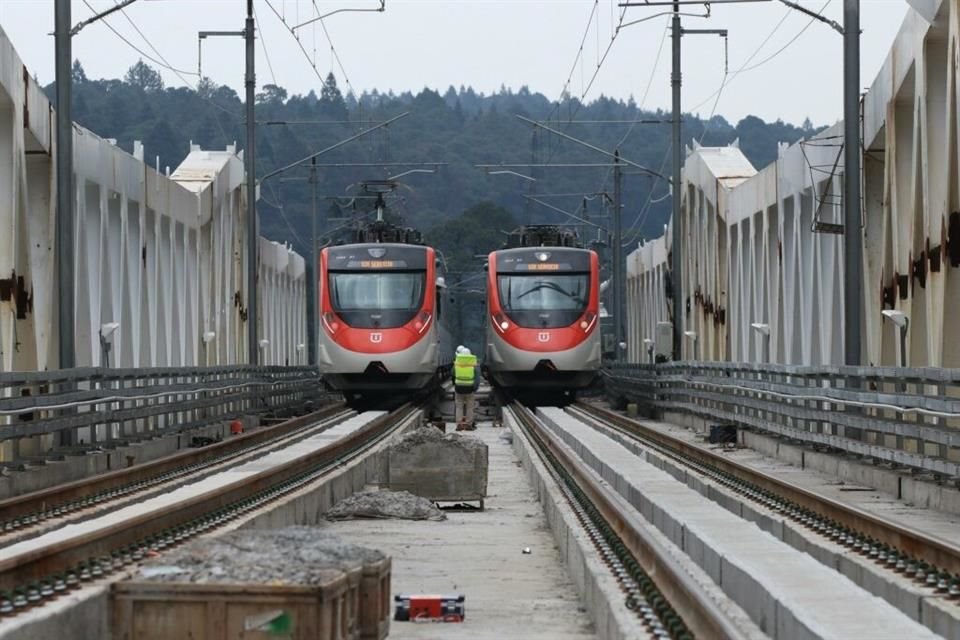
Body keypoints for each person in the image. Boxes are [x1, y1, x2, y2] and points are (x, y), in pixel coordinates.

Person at [453, 346, 479, 429]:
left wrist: (455, 384)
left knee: (459, 407)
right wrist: (475, 388)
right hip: (469, 388)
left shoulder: (456, 364)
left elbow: (453, 374)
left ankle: (459, 424)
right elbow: (477, 378)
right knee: (470, 407)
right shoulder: (474, 364)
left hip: (459, 388)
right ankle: (469, 424)